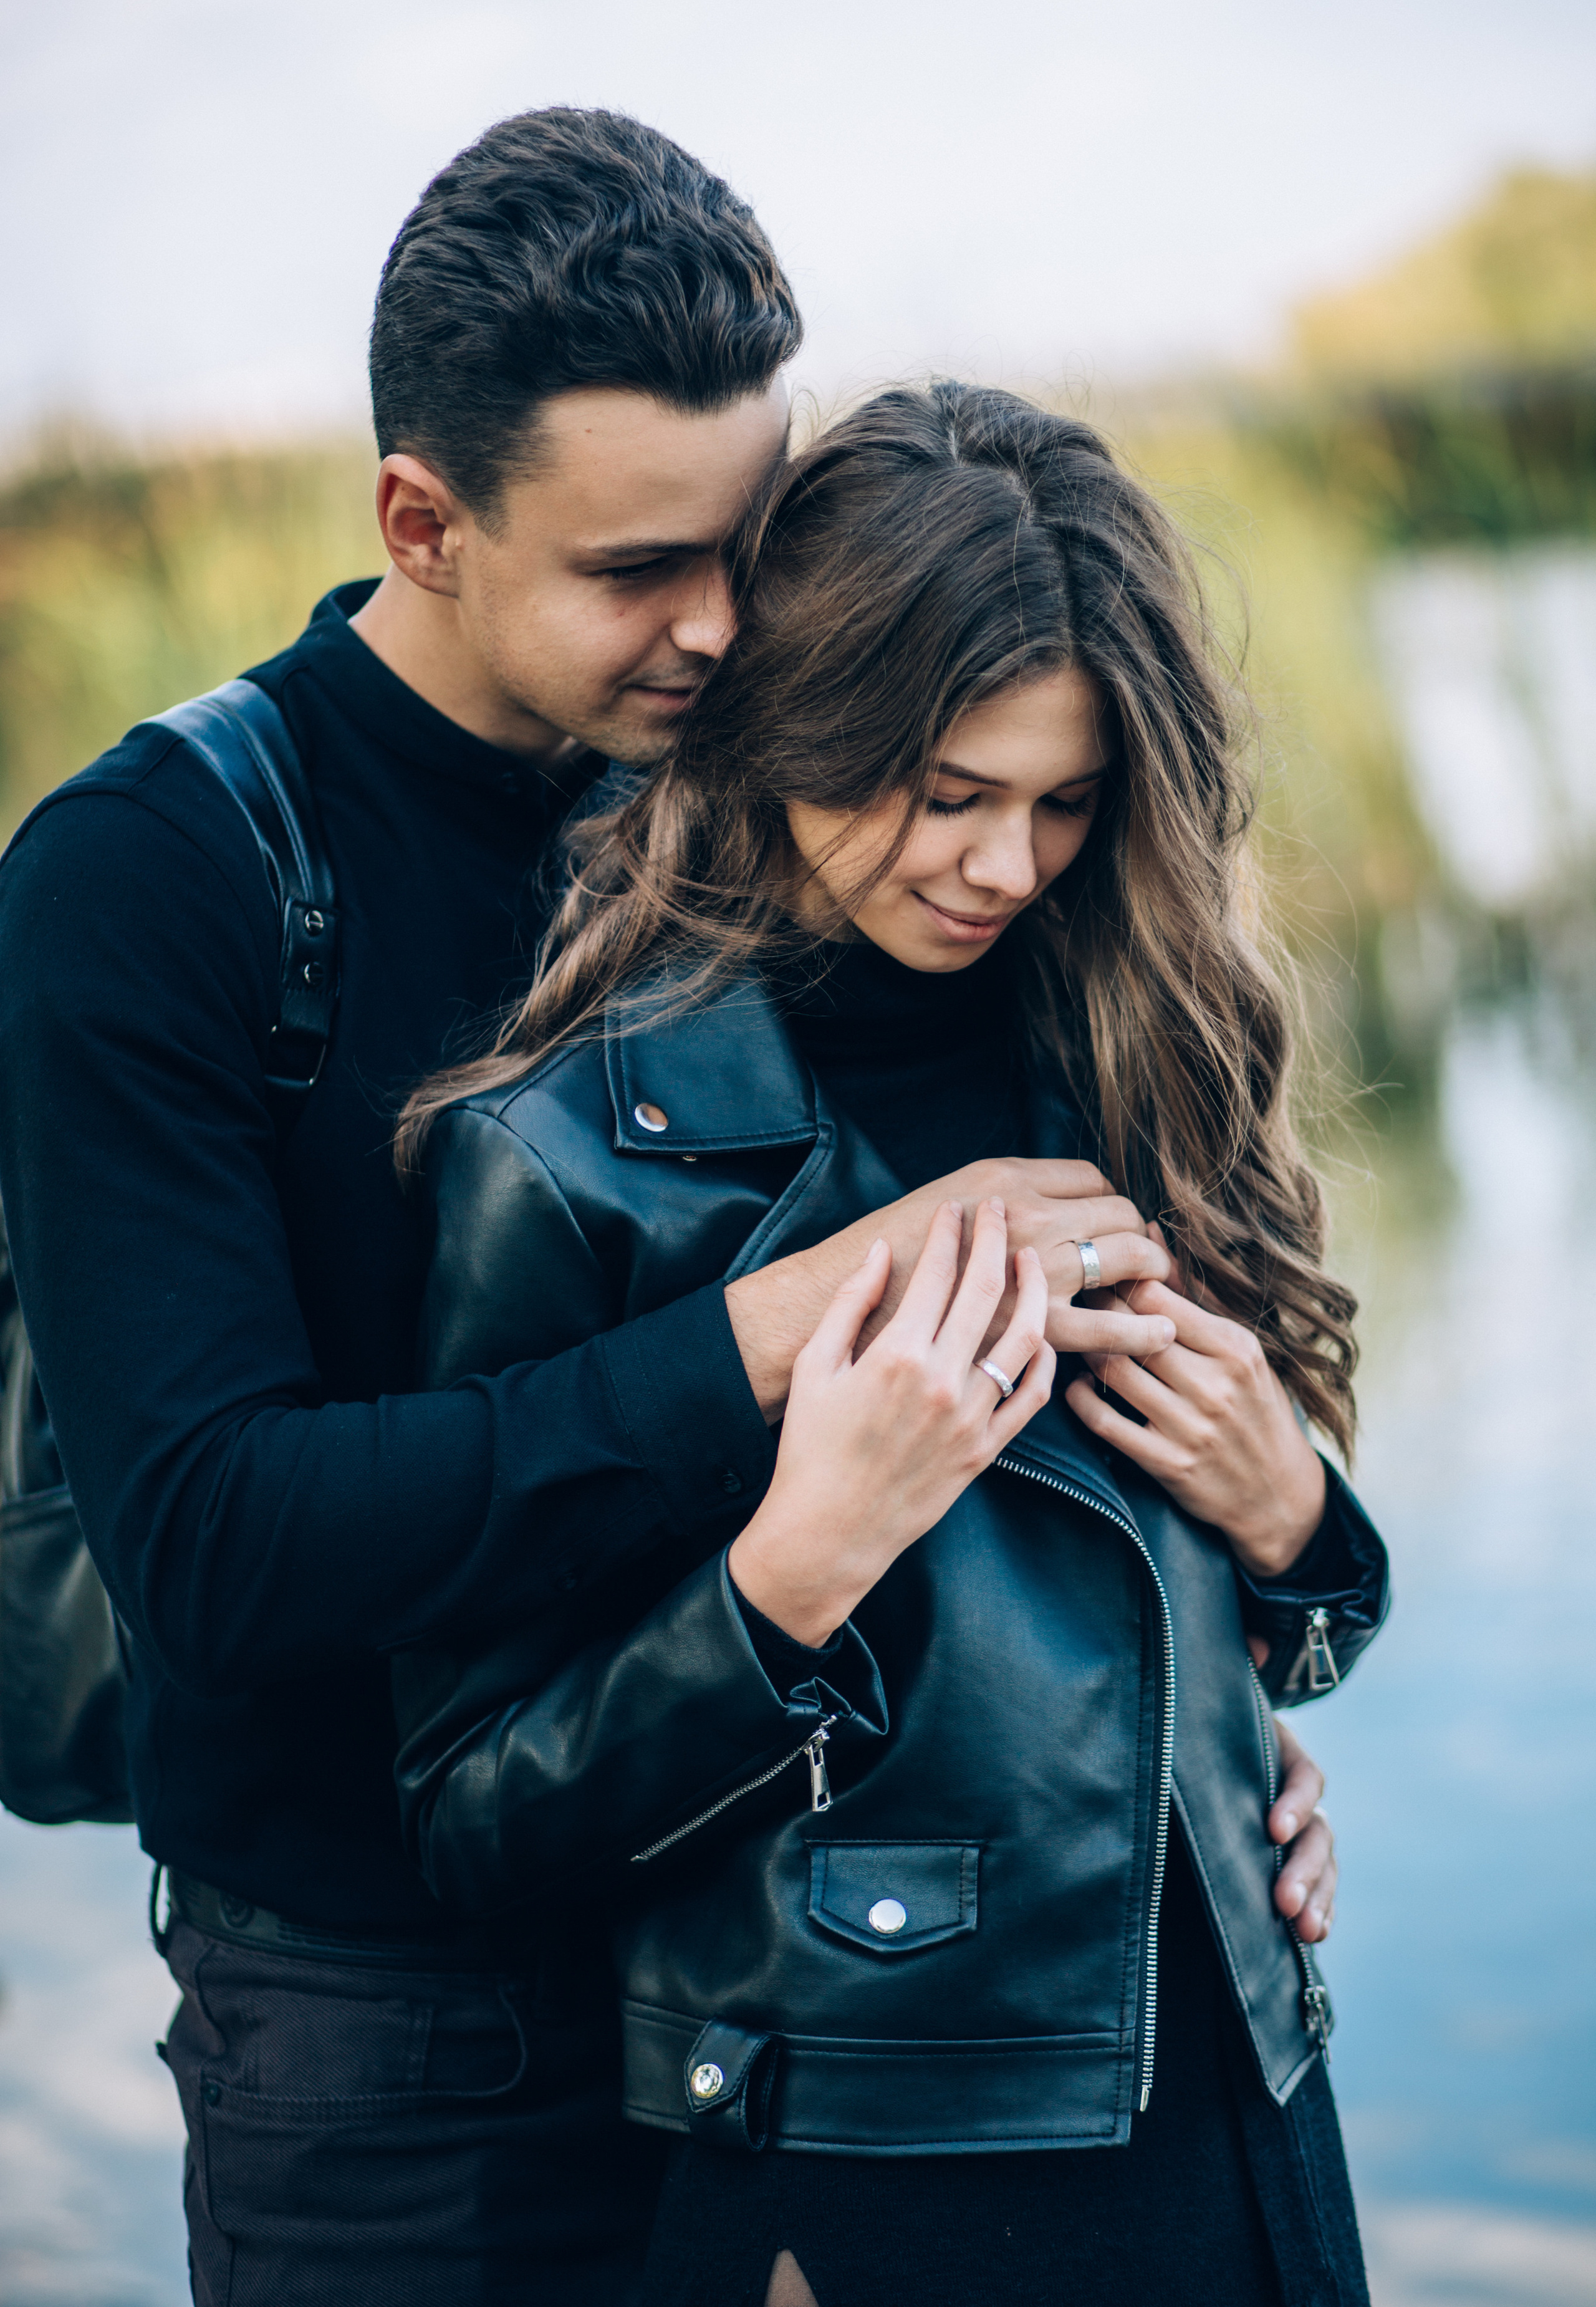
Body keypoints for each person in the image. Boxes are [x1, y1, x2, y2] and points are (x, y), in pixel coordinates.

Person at [0, 113, 1336, 2303]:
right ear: (419, 521)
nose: (724, 632)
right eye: (640, 570)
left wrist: (1194, 1751)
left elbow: (1016, 1440)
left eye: (751, 540)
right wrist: (766, 1343)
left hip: (771, 1999)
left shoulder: (751, 792)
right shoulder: (156, 879)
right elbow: (216, 1545)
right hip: (388, 2038)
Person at [392, 382, 1389, 2307]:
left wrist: (1301, 1532)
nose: (1008, 867)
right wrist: (796, 1565)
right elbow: (474, 1814)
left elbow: (1224, 1651)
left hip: (1238, 2106)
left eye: (1066, 801)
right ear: (803, 724)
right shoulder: (578, 1158)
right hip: (851, 2161)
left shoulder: (1135, 1053)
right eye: (948, 793)